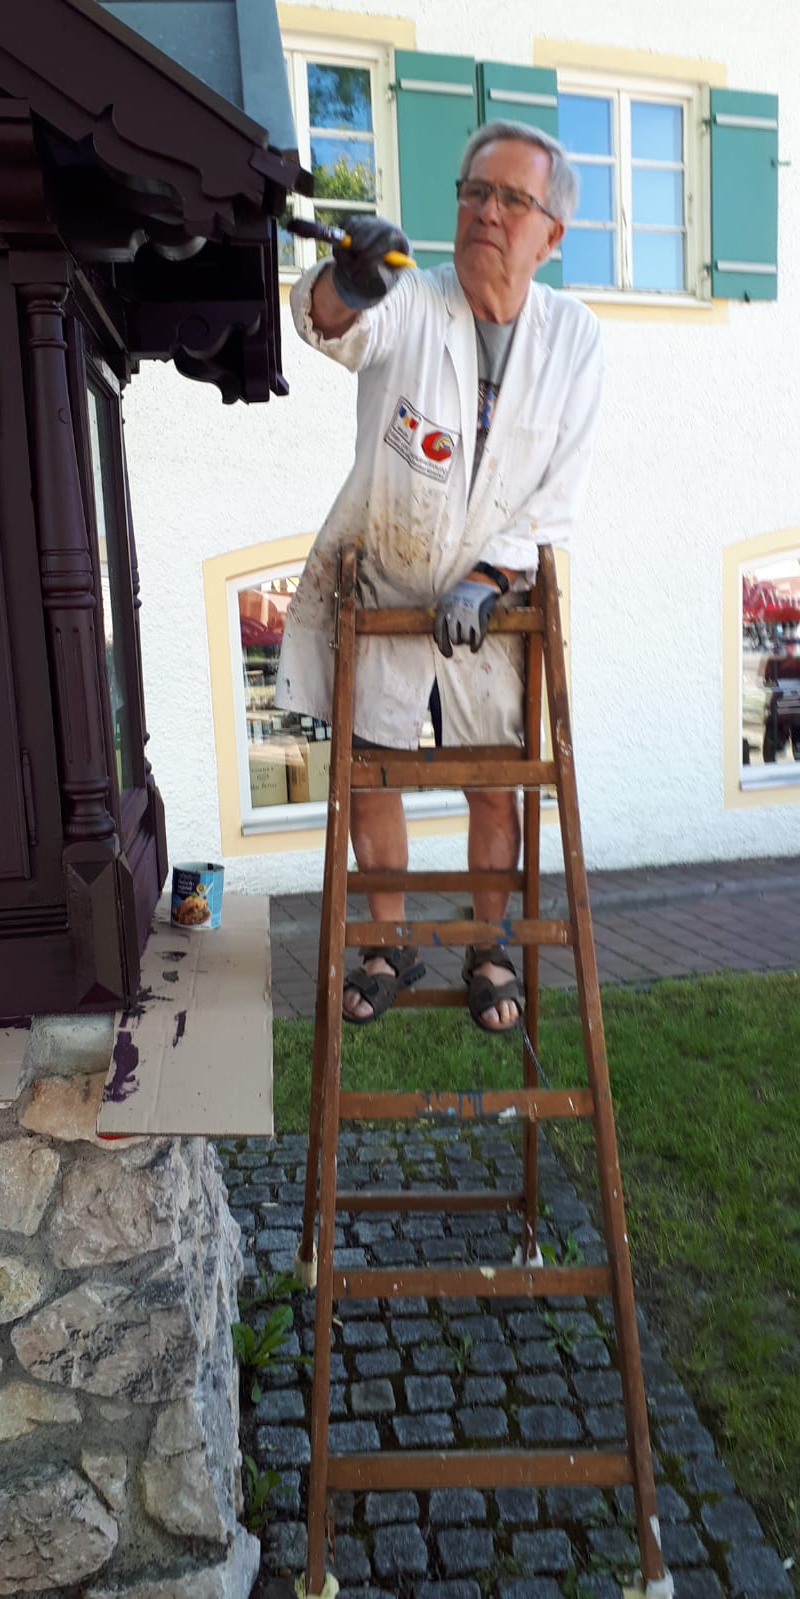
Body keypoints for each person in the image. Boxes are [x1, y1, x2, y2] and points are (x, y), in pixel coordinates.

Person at [276, 120, 604, 1033]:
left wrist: (489, 575)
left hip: (493, 604)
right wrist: (348, 283)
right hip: (381, 581)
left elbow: (559, 490)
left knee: (495, 782)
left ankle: (488, 947)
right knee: (370, 776)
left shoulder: (573, 339)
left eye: (511, 199)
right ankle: (387, 944)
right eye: (474, 192)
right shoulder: (413, 301)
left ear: (550, 234)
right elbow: (333, 328)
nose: (486, 212)